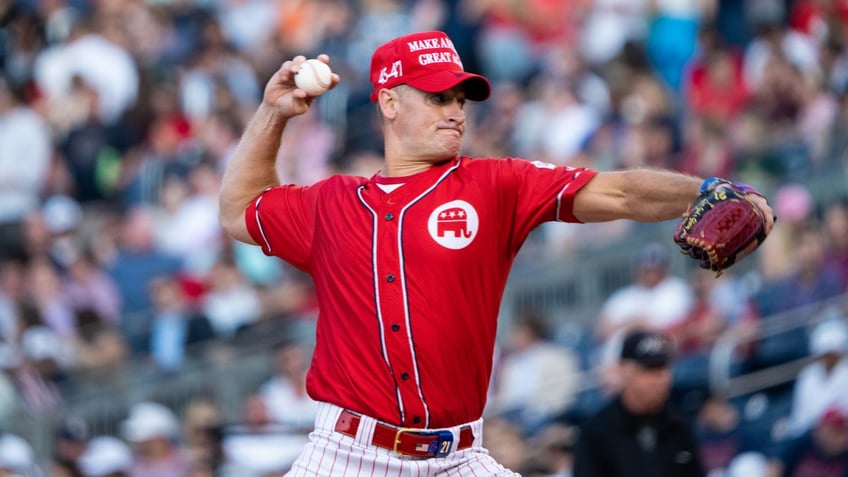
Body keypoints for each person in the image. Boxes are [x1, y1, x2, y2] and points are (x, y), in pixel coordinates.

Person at [217, 30, 774, 476]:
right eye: (437, 96)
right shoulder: (331, 203)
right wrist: (274, 114)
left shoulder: (495, 185)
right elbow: (239, 211)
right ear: (388, 101)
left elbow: (619, 190)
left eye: (461, 98)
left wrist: (707, 190)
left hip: (458, 457)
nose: (456, 110)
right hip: (345, 458)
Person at [572, 329, 705, 477]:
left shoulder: (679, 427)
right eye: (649, 369)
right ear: (624, 370)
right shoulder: (596, 432)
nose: (660, 379)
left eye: (663, 368)